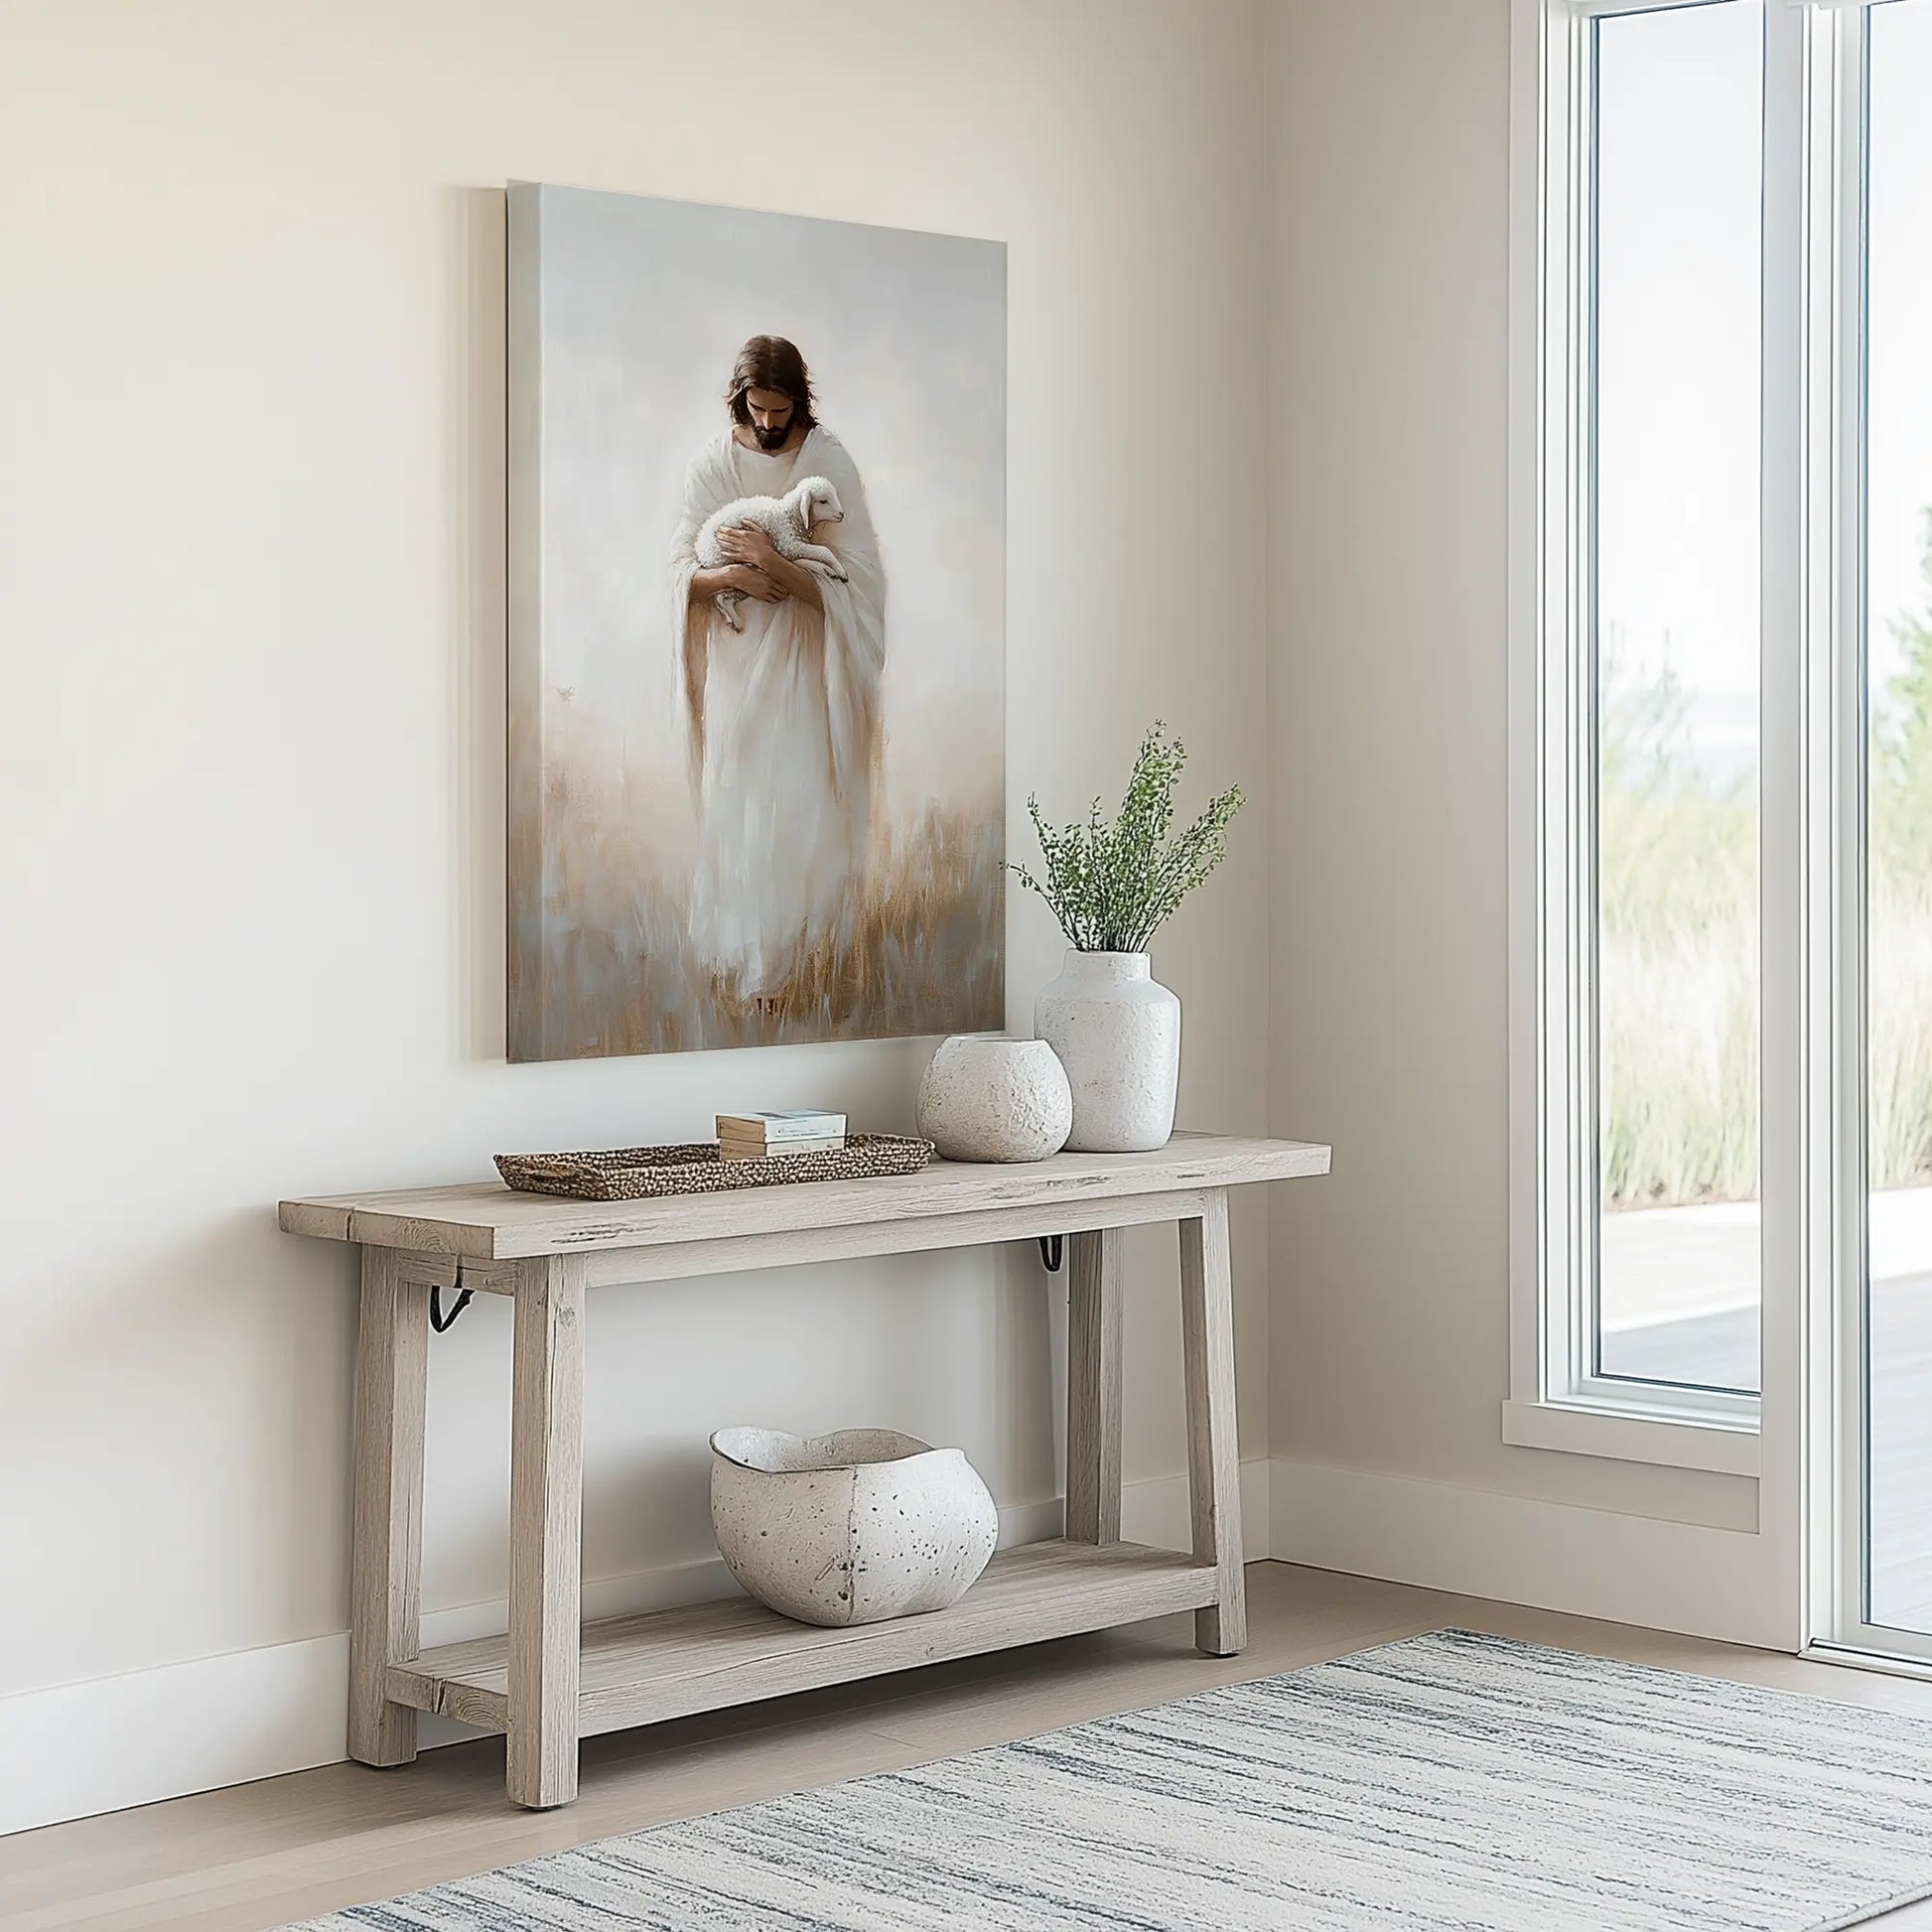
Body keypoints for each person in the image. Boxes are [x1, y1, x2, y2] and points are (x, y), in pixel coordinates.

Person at [670, 336, 887, 1000]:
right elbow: (680, 571)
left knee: (798, 815)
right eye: (758, 409)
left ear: (800, 401)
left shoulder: (828, 465)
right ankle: (745, 978)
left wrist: (774, 564)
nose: (768, 424)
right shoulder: (713, 466)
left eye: (781, 410)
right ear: (742, 399)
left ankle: (806, 976)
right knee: (738, 819)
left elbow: (860, 590)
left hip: (806, 685)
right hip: (736, 680)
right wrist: (731, 573)